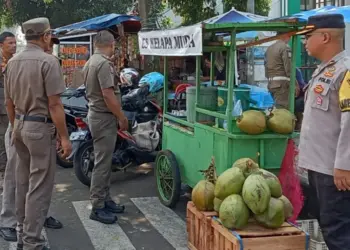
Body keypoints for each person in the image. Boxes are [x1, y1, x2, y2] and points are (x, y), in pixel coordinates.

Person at [4, 17, 72, 250]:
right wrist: (64, 137)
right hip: (39, 128)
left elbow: (9, 102)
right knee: (39, 188)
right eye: (49, 35)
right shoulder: (48, 61)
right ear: (45, 35)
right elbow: (54, 105)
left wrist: (15, 127)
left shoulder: (12, 62)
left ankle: (23, 234)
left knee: (23, 183)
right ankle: (33, 241)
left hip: (20, 125)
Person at [297, 14, 350, 250]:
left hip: (335, 171)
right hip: (320, 166)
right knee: (330, 226)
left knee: (338, 232)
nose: (304, 42)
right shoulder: (325, 70)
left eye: (308, 36)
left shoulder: (345, 71)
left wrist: (344, 165)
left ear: (325, 36)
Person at [82, 30, 128, 225]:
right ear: (111, 45)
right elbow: (108, 95)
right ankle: (98, 206)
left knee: (105, 161)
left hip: (97, 115)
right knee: (102, 163)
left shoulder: (91, 62)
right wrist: (121, 117)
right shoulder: (102, 64)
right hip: (104, 117)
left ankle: (105, 199)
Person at [0, 32, 16, 190]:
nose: (13, 45)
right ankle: (4, 175)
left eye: (15, 42)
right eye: (10, 43)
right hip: (3, 108)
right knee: (4, 141)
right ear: (1, 45)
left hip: (14, 105)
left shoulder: (14, 59)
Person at [264, 32, 293, 109]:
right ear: (284, 35)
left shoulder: (269, 48)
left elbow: (266, 68)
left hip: (271, 83)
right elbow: (288, 68)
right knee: (283, 110)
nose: (289, 38)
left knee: (277, 107)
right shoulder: (285, 47)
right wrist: (295, 84)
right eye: (289, 36)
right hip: (282, 84)